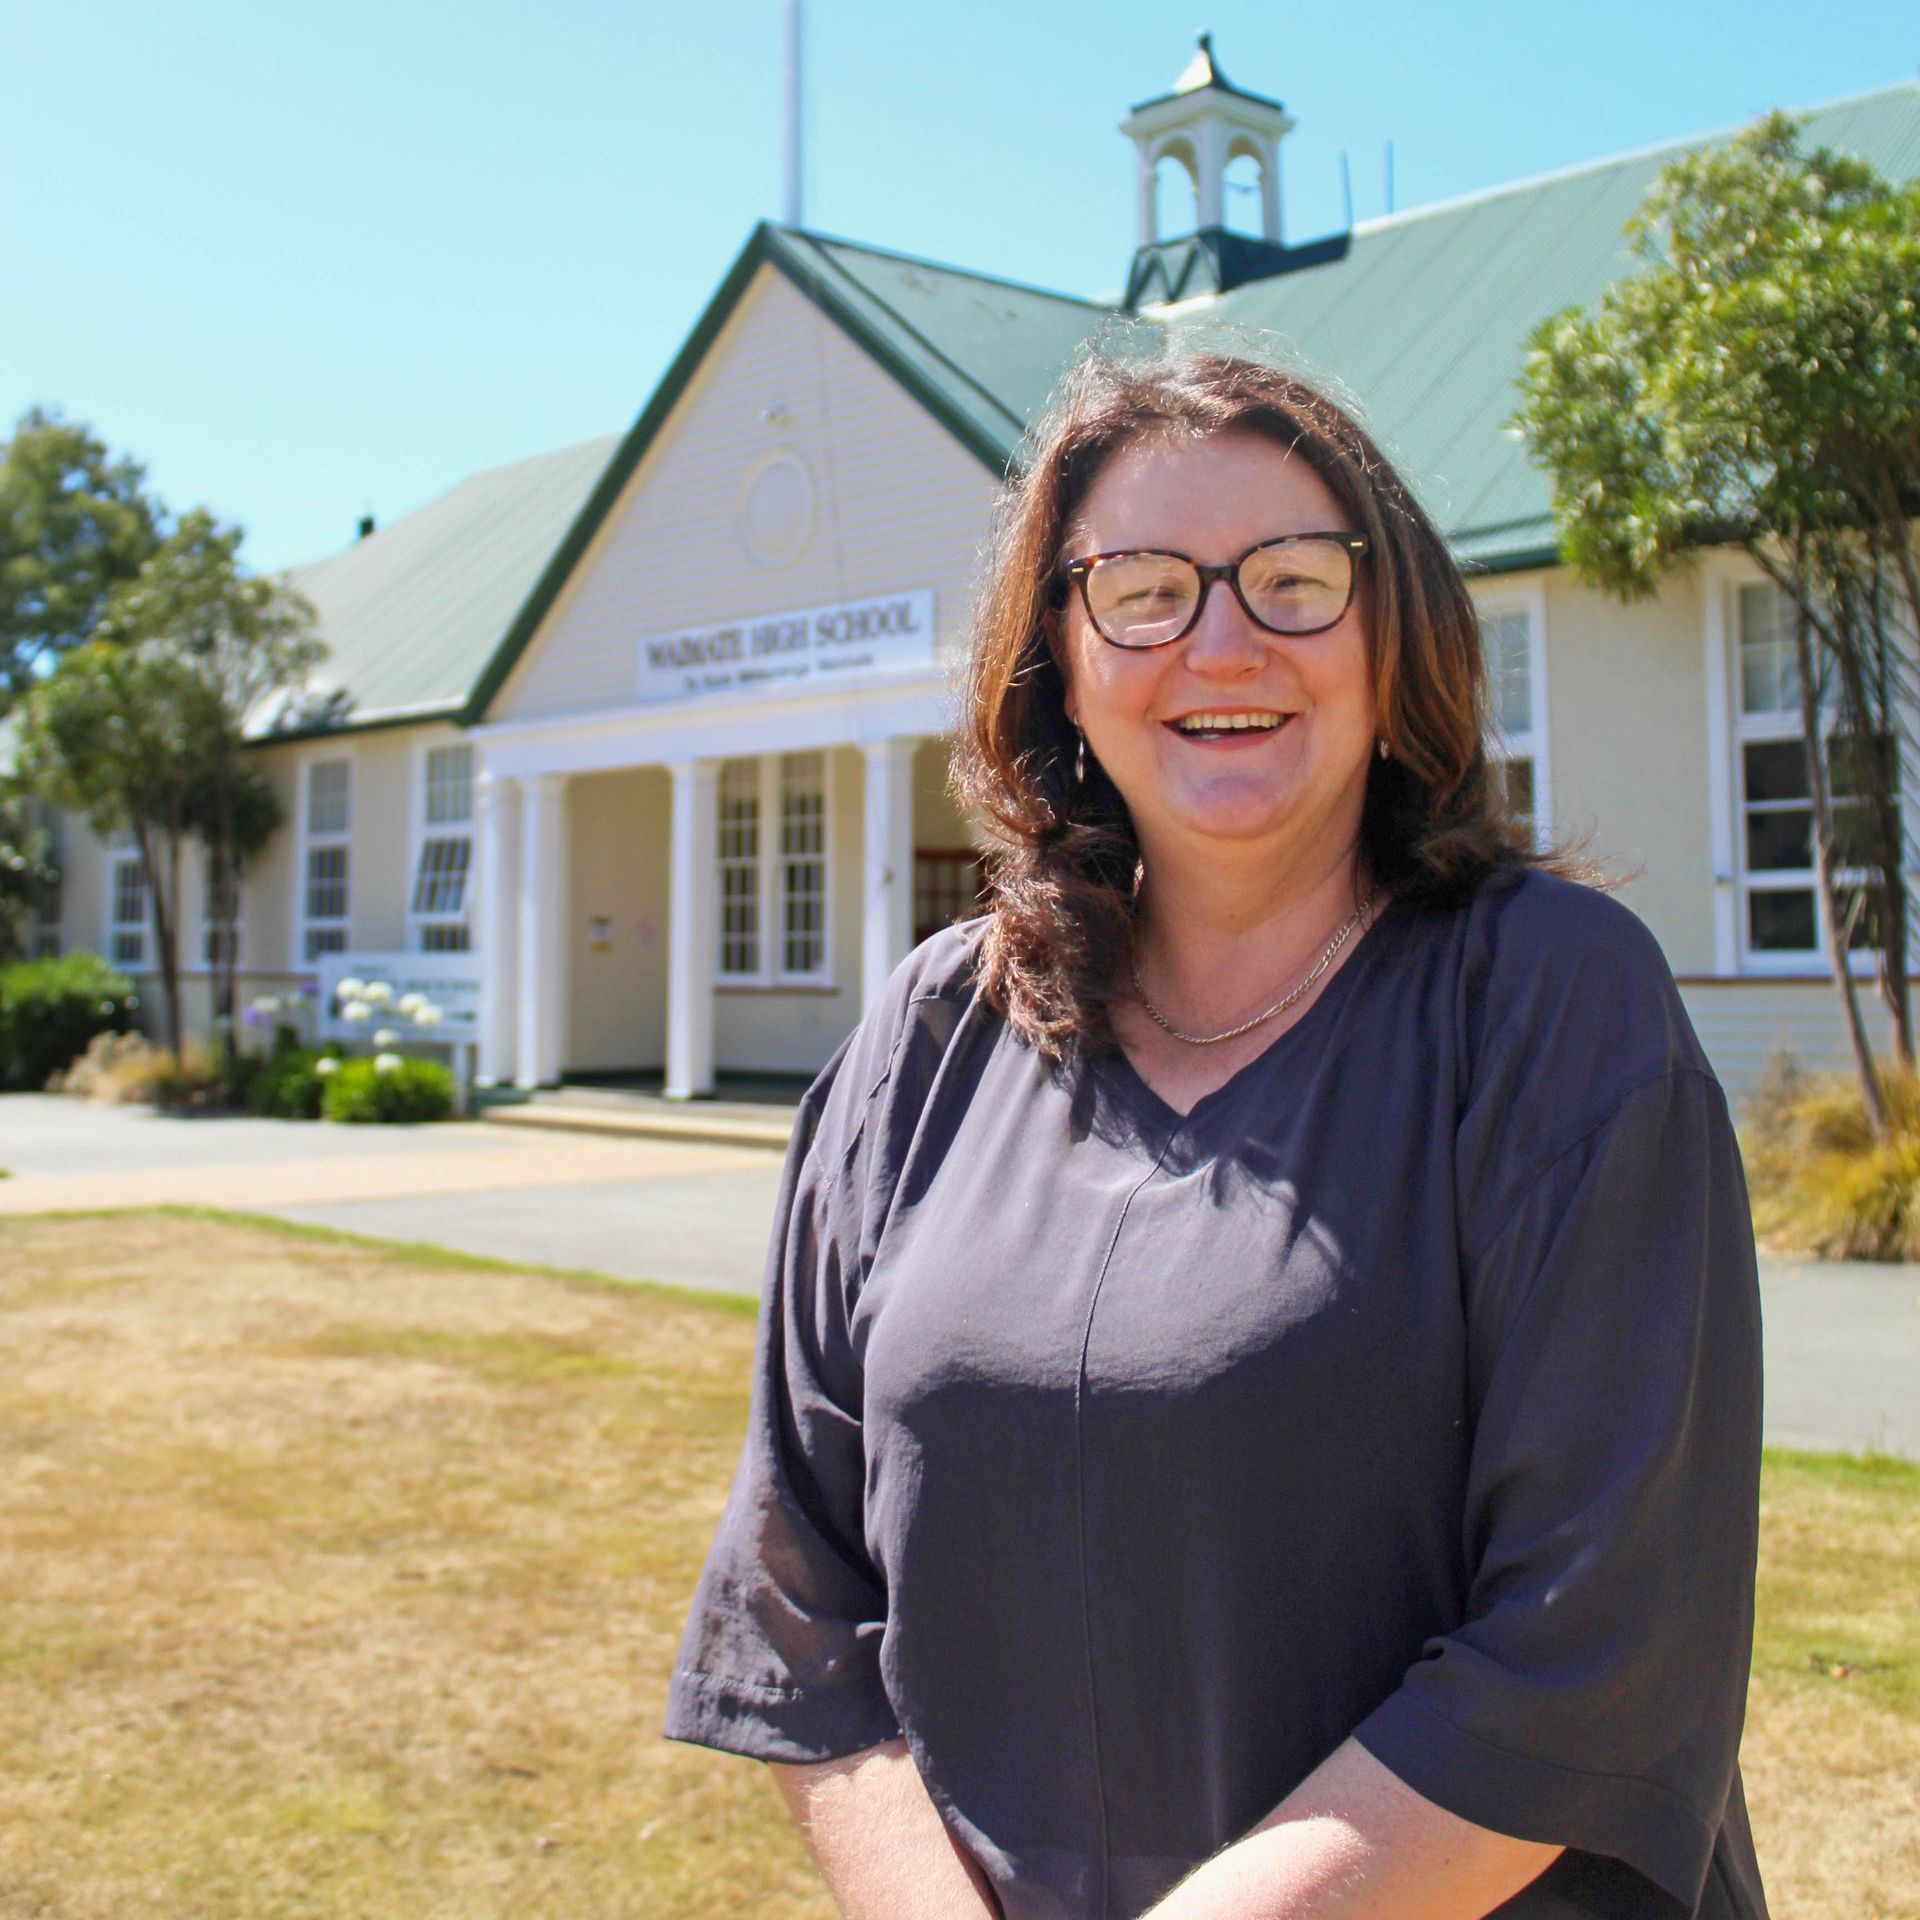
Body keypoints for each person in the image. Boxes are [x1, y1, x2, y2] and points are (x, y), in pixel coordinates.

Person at [663, 350, 1770, 1920]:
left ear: (1393, 634)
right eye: (1144, 587)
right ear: (1058, 645)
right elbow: (801, 1612)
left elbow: (1594, 1644)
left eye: (1296, 581)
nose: (1223, 641)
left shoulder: (1548, 1005)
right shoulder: (926, 1042)